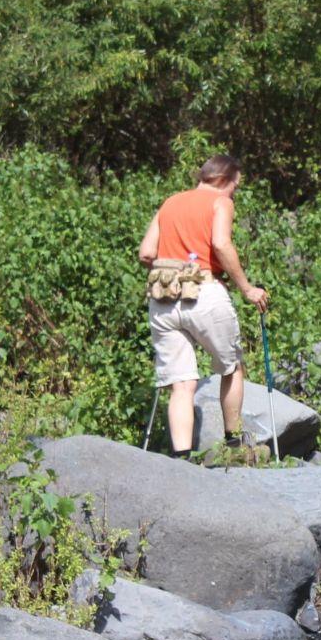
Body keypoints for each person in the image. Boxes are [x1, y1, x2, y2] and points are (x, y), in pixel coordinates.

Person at [138, 154, 269, 459]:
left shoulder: (170, 202)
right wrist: (247, 289)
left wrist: (174, 268)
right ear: (224, 180)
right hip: (205, 292)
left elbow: (146, 253)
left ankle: (181, 457)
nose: (234, 193)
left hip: (163, 296)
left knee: (181, 383)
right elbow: (221, 243)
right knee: (231, 367)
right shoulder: (220, 202)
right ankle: (234, 444)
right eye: (235, 186)